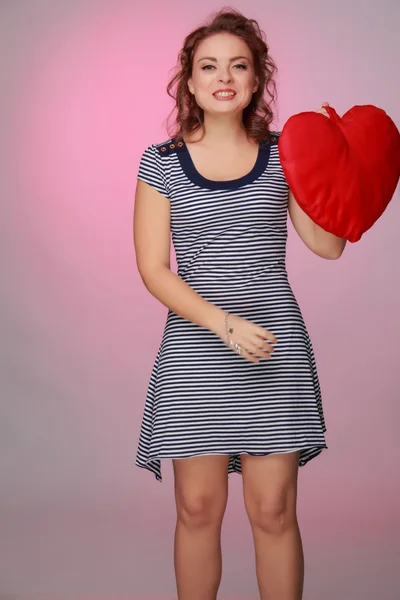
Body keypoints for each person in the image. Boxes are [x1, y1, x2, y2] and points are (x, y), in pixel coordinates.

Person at [133, 8, 346, 600]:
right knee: (197, 508)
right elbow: (154, 270)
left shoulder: (287, 156)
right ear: (191, 81)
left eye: (238, 65)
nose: (223, 77)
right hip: (197, 350)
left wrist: (345, 176)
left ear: (256, 81)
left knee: (273, 511)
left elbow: (328, 246)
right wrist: (223, 323)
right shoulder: (160, 162)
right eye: (209, 66)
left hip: (273, 352)